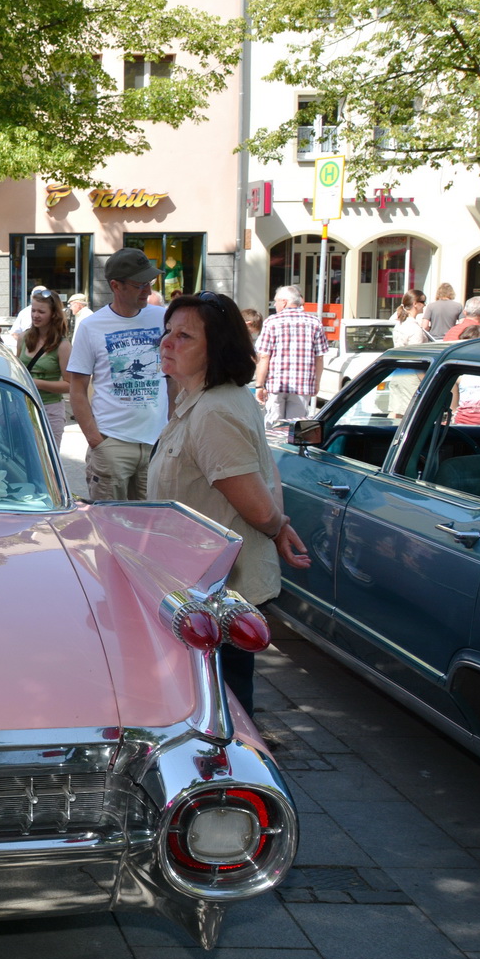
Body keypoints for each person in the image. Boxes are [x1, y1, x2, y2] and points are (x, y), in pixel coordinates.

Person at [151, 292, 310, 713]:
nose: (167, 342)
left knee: (222, 708)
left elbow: (256, 502)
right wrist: (277, 524)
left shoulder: (214, 411)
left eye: (184, 336)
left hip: (217, 597)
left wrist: (275, 525)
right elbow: (265, 472)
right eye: (168, 331)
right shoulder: (207, 398)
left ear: (216, 349)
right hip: (205, 588)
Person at [66, 249, 167, 501]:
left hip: (157, 442)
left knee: (152, 522)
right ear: (115, 286)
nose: (147, 291)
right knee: (109, 521)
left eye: (149, 283)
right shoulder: (91, 326)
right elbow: (77, 389)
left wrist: (173, 428)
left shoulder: (163, 318)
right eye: (139, 284)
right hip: (112, 442)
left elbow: (176, 375)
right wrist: (96, 441)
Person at [253, 286, 328, 423]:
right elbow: (319, 357)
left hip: (276, 384)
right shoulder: (315, 322)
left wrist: (259, 385)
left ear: (284, 302)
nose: (274, 305)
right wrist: (316, 382)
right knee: (295, 426)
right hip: (303, 384)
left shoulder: (271, 322)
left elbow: (264, 356)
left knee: (273, 425)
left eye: (276, 301)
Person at [19, 287, 72, 441]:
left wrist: (37, 383)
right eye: (33, 310)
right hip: (22, 405)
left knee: (47, 453)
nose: (35, 315)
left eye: (41, 312)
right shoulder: (23, 338)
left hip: (49, 409)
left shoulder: (63, 345)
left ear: (53, 314)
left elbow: (69, 385)